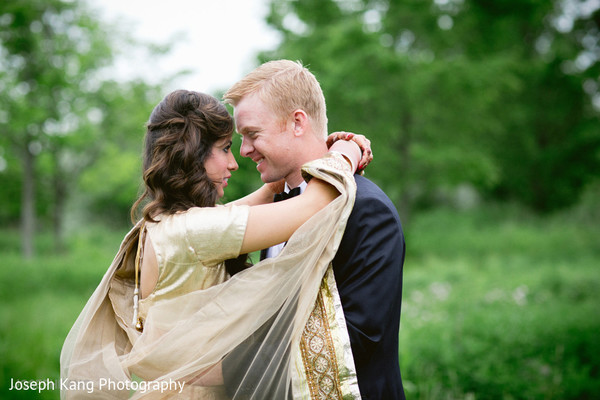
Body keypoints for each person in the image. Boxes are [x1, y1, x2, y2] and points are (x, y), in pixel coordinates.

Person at [60, 89, 366, 399]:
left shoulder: (165, 224)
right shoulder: (193, 232)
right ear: (192, 154)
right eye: (224, 148)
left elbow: (254, 202)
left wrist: (306, 154)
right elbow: (311, 206)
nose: (234, 163)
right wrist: (346, 152)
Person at [224, 59, 406, 399]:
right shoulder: (278, 206)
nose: (244, 150)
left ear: (297, 123)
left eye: (252, 134)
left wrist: (223, 363)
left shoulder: (366, 210)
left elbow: (362, 340)